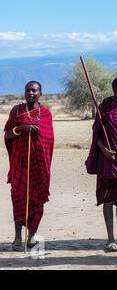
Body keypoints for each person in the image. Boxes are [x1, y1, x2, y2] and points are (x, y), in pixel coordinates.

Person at [85, 76, 117, 252]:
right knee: (108, 198)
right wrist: (104, 150)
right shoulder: (104, 109)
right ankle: (110, 239)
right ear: (115, 90)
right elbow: (96, 134)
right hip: (108, 161)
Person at [4, 81, 54, 252]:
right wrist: (22, 128)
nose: (30, 93)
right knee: (18, 199)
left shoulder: (46, 114)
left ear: (41, 93)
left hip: (39, 166)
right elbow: (8, 135)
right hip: (20, 164)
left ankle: (32, 236)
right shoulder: (16, 111)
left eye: (34, 90)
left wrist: (37, 134)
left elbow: (49, 140)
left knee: (37, 200)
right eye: (28, 90)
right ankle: (18, 238)